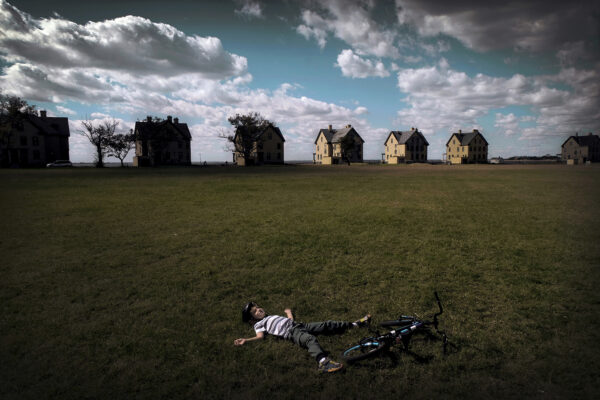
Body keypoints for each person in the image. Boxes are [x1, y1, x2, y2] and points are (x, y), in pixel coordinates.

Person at [234, 301, 371, 373]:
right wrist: (246, 340)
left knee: (326, 324)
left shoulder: (270, 317)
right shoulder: (259, 325)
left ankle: (355, 324)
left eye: (258, 307)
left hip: (299, 325)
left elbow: (289, 320)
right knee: (310, 340)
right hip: (292, 333)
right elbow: (260, 337)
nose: (259, 310)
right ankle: (323, 362)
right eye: (255, 311)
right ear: (252, 320)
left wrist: (289, 313)